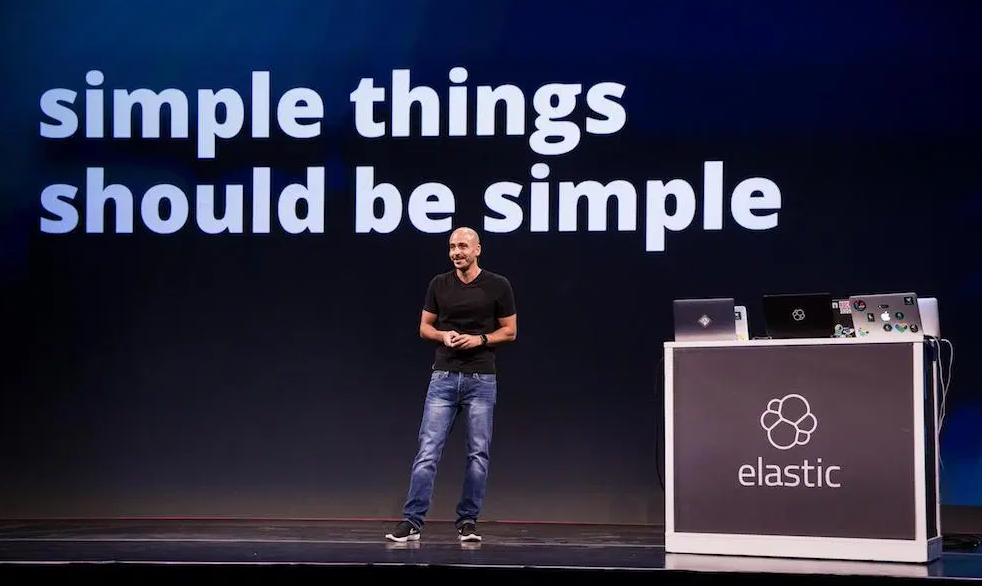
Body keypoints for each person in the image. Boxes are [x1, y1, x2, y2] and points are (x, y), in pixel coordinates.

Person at [385, 227, 517, 543]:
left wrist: (480, 339)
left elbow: (510, 331)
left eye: (462, 246)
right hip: (443, 377)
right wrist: (443, 335)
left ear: (477, 249)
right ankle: (412, 522)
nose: (456, 252)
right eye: (452, 247)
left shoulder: (498, 285)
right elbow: (424, 327)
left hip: (481, 379)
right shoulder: (439, 284)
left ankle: (467, 521)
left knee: (478, 454)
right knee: (427, 451)